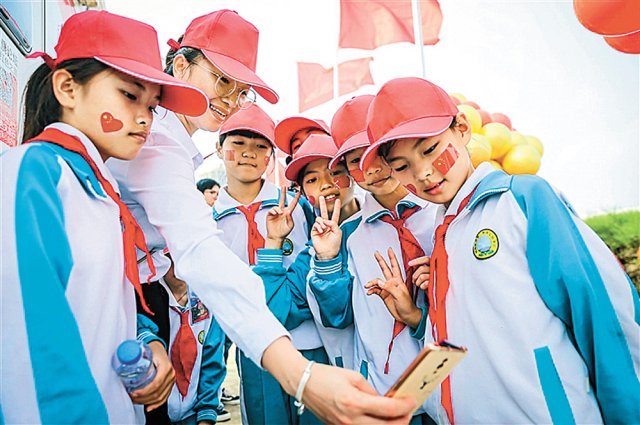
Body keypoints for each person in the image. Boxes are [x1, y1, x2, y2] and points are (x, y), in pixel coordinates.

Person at [106, 9, 417, 424]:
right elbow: (201, 256)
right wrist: (299, 375)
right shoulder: (159, 146)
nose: (231, 101)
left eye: (241, 91)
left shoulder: (311, 218)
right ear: (181, 64)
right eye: (222, 81)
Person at [362, 77, 640, 424]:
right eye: (402, 166)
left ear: (462, 129)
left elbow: (603, 314)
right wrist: (418, 321)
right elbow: (468, 334)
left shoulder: (522, 200)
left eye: (430, 149)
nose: (424, 173)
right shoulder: (440, 233)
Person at [0, 10, 209, 423]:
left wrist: (146, 340)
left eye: (152, 104)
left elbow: (99, 306)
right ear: (67, 88)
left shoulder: (103, 193)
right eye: (130, 96)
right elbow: (28, 342)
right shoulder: (33, 173)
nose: (146, 117)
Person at [307, 95, 439, 424]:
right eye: (356, 161)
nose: (374, 168)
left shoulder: (442, 215)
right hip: (381, 392)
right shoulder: (347, 235)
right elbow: (337, 317)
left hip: (450, 389)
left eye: (379, 151)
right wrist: (327, 260)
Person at [213, 104, 326, 424]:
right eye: (238, 144)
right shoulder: (209, 221)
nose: (249, 153)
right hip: (255, 351)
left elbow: (314, 271)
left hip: (309, 343)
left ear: (271, 156)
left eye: (260, 146)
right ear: (219, 148)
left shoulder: (296, 208)